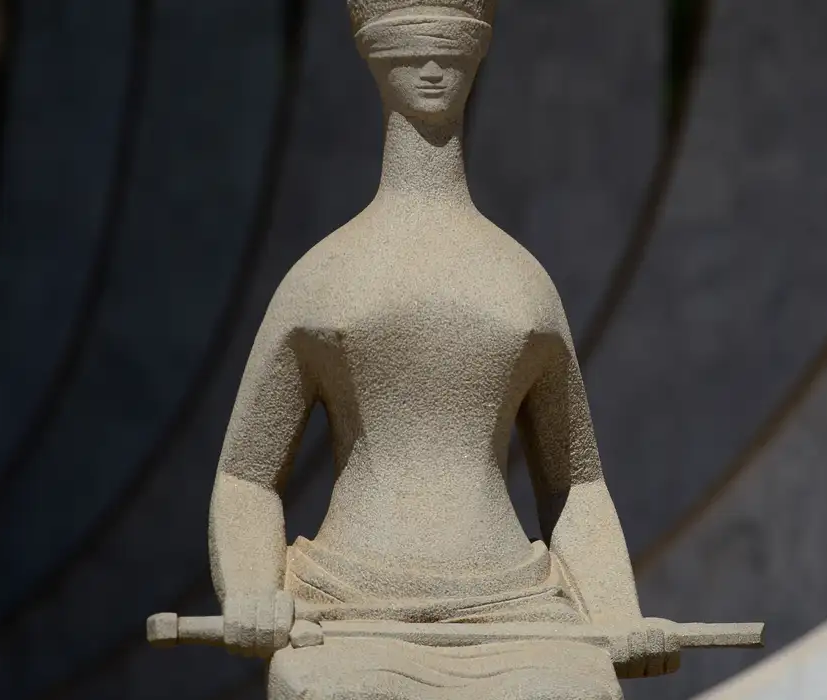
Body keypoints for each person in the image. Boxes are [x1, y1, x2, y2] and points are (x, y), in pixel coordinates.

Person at [207, 2, 677, 698]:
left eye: (450, 52)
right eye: (412, 52)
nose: (432, 68)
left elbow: (575, 481)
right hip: (348, 606)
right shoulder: (324, 277)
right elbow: (246, 476)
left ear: (477, 57)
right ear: (375, 60)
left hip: (516, 606)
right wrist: (252, 590)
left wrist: (615, 612)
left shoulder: (520, 282)